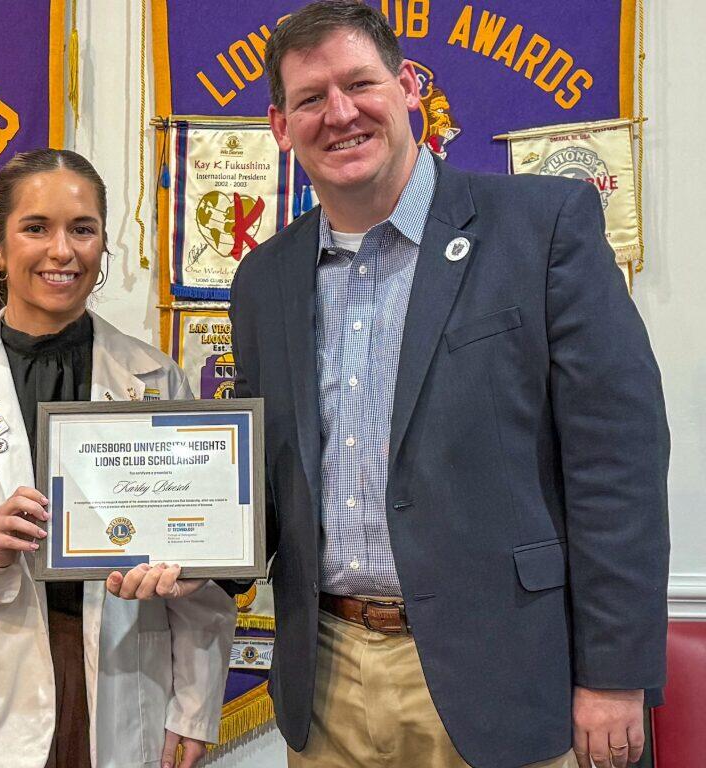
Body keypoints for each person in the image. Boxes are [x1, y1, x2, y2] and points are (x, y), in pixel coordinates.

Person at [225, 3, 670, 768]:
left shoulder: (543, 227)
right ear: (279, 125)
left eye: (359, 83)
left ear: (407, 89)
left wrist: (614, 676)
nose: (339, 113)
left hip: (501, 679)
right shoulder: (262, 278)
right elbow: (267, 481)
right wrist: (180, 554)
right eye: (309, 99)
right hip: (325, 677)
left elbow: (617, 466)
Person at [0, 148, 237, 768]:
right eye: (35, 228)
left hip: (120, 685)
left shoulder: (155, 380)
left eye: (82, 229)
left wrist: (194, 707)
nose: (61, 251)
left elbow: (197, 567)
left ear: (102, 245)